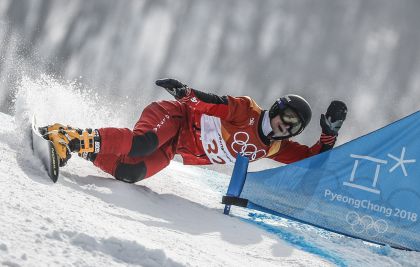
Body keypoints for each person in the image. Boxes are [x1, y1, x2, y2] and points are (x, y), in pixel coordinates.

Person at [40, 78, 347, 183]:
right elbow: (214, 104)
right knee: (142, 144)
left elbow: (311, 162)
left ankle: (74, 145)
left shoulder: (276, 148)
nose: (286, 126)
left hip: (176, 147)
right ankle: (67, 136)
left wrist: (329, 135)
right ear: (278, 109)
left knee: (130, 173)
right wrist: (186, 93)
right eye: (287, 117)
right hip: (176, 117)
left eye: (294, 126)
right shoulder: (248, 111)